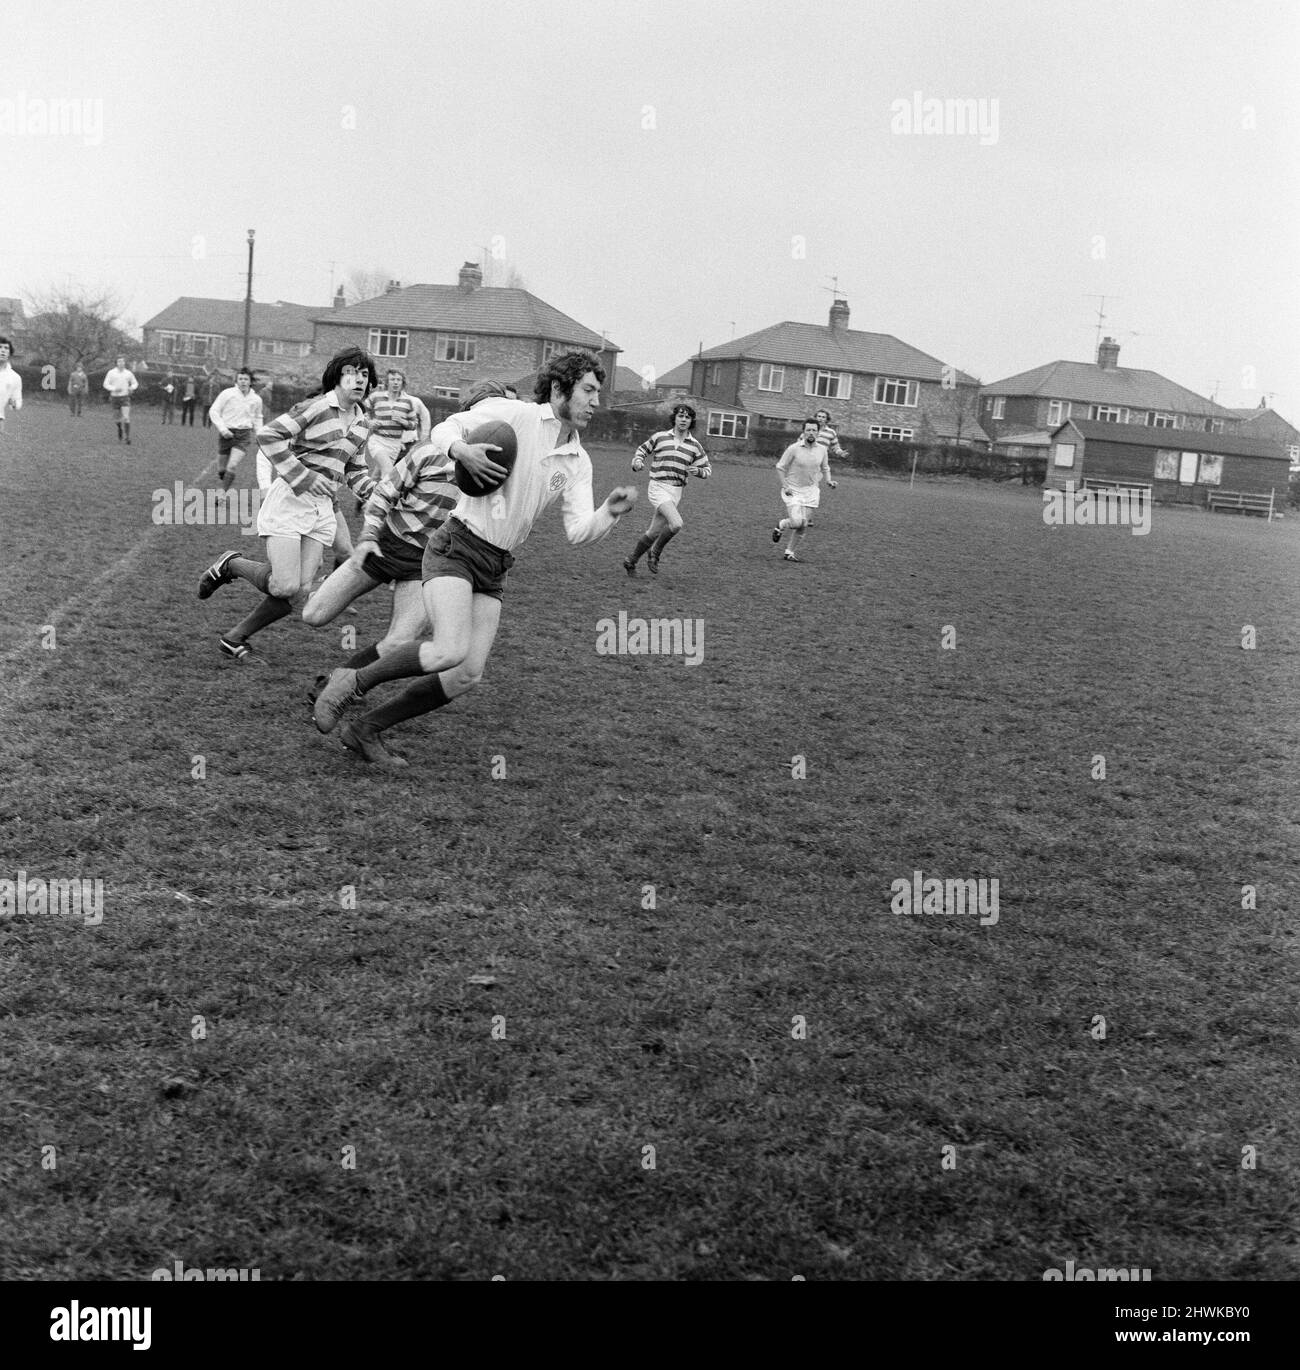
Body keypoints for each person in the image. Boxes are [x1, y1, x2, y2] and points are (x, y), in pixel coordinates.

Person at [311, 351, 637, 768]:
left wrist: (608, 512)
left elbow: (578, 533)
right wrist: (462, 451)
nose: (596, 402)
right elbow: (446, 429)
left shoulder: (578, 459)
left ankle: (365, 729)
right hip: (456, 546)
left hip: (496, 564)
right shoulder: (514, 414)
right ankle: (351, 682)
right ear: (559, 389)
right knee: (447, 649)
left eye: (598, 393)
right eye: (589, 391)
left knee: (466, 674)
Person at [302, 380, 513, 708]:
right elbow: (385, 493)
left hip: (429, 562)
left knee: (400, 640)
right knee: (313, 615)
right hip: (386, 544)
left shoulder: (499, 474)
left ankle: (335, 683)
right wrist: (368, 536)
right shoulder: (430, 451)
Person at [196, 348, 378, 662]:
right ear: (337, 376)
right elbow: (268, 436)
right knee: (283, 584)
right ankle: (230, 565)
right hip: (290, 501)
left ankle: (234, 638)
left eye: (364, 374)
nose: (359, 379)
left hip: (323, 510)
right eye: (351, 372)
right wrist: (303, 476)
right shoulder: (316, 407)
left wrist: (379, 496)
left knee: (297, 593)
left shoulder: (363, 421)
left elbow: (355, 470)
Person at [622, 402, 711, 575]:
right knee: (676, 524)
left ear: (691, 421)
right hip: (658, 487)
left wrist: (698, 471)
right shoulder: (660, 437)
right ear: (675, 418)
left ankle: (631, 560)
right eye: (680, 416)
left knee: (654, 532)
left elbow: (707, 470)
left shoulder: (694, 445)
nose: (683, 419)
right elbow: (642, 450)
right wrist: (637, 462)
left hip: (676, 491)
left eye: (687, 417)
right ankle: (655, 552)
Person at [772, 418, 837, 561]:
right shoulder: (793, 448)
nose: (811, 433)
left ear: (818, 433)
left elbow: (825, 468)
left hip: (811, 491)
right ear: (803, 432)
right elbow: (780, 467)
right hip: (793, 490)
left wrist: (828, 481)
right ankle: (782, 524)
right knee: (796, 522)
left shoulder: (822, 450)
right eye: (808, 430)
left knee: (803, 525)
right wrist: (785, 485)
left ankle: (789, 552)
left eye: (814, 430)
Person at [208, 367, 265, 489]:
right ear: (236, 380)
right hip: (226, 433)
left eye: (246, 379)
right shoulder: (227, 394)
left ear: (250, 381)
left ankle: (222, 494)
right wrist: (223, 429)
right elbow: (214, 411)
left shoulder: (256, 399)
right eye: (240, 379)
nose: (243, 381)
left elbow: (258, 417)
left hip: (243, 435)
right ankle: (224, 478)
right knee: (222, 469)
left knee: (232, 465)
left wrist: (259, 433)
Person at [364, 369, 423, 479]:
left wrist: (402, 421)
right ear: (387, 382)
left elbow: (414, 424)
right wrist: (369, 422)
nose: (396, 382)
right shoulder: (376, 397)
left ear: (402, 382)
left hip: (395, 444)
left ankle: (365, 494)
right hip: (378, 441)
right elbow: (362, 410)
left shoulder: (407, 402)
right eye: (392, 379)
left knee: (377, 475)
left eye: (398, 380)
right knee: (388, 472)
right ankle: (388, 495)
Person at [102, 355, 139, 444]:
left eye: (122, 361)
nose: (121, 363)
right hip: (115, 398)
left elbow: (135, 383)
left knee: (126, 417)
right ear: (116, 363)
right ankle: (120, 428)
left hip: (125, 397)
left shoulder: (128, 373)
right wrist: (114, 388)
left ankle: (127, 437)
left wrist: (131, 388)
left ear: (124, 362)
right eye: (119, 361)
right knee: (117, 419)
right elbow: (105, 384)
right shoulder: (111, 373)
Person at [0, 337, 22, 436]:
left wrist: (14, 403)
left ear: (10, 352)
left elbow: (17, 402)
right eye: (0, 347)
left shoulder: (15, 377)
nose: (3, 350)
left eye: (6, 348)